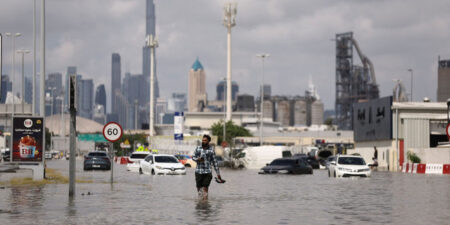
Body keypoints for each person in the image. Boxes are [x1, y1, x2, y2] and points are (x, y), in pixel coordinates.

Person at [192, 134, 223, 200]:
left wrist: (218, 174)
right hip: (198, 171)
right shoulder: (198, 148)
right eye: (202, 140)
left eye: (205, 140)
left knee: (205, 187)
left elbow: (215, 162)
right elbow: (193, 157)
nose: (203, 141)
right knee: (199, 188)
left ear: (208, 141)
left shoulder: (211, 150)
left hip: (207, 172)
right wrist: (198, 159)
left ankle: (205, 202)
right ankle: (200, 201)